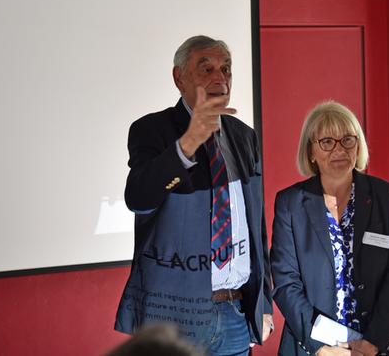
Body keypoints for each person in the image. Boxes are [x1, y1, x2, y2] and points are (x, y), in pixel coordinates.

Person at [114, 35, 273, 356]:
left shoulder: (244, 136)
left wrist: (263, 302)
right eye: (207, 69)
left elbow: (255, 224)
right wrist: (188, 143)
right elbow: (140, 198)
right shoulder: (151, 130)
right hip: (175, 319)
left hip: (235, 312)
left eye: (226, 69)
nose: (220, 77)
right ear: (179, 78)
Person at [271, 101, 389, 356]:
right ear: (311, 152)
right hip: (315, 346)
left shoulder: (384, 195)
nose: (339, 149)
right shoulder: (290, 203)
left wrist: (373, 343)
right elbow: (285, 282)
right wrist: (320, 347)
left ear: (358, 145)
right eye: (327, 141)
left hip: (380, 345)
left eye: (347, 140)